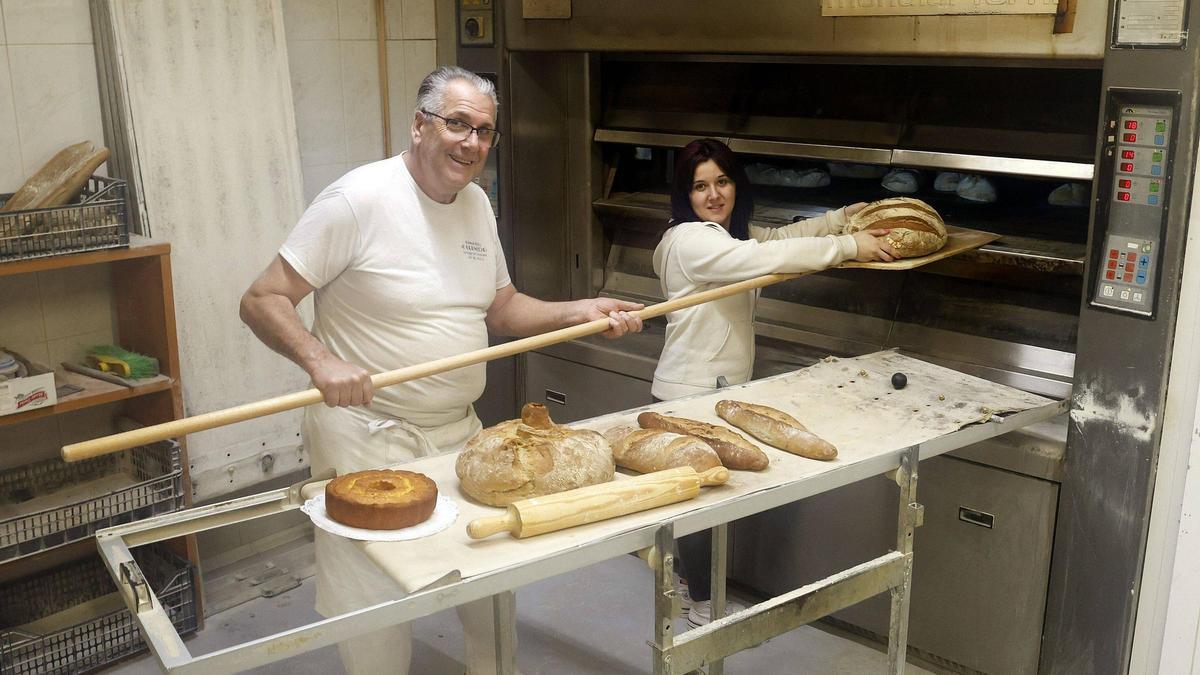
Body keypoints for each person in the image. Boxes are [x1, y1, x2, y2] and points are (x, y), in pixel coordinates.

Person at [240, 66, 642, 675]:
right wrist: (320, 360)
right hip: (365, 435)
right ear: (420, 125)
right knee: (371, 605)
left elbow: (501, 307)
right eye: (457, 123)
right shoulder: (358, 200)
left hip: (458, 433)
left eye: (484, 131)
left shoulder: (476, 203)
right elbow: (263, 297)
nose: (471, 143)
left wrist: (579, 310)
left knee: (485, 578)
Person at [651, 138, 896, 627]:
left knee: (695, 499)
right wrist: (849, 245)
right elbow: (763, 260)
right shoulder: (692, 241)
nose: (714, 194)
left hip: (708, 388)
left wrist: (838, 218)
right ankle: (702, 605)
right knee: (701, 506)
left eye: (722, 181)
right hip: (691, 393)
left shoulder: (719, 236)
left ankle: (682, 589)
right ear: (685, 194)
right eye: (700, 186)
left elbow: (774, 242)